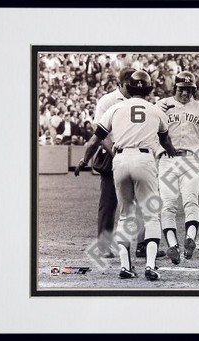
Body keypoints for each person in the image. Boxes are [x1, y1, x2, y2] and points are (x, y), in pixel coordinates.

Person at [75, 70, 176, 281]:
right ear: (149, 89)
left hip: (119, 160)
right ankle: (149, 265)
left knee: (125, 214)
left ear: (127, 88)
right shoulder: (156, 110)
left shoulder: (115, 107)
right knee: (150, 215)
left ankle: (125, 266)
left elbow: (95, 141)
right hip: (145, 160)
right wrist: (173, 155)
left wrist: (84, 161)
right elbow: (166, 142)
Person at [155, 71, 199, 265]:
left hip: (190, 159)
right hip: (166, 159)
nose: (185, 93)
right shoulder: (161, 105)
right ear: (175, 88)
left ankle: (190, 238)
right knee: (168, 204)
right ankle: (172, 245)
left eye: (189, 90)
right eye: (182, 89)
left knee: (191, 201)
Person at [78, 67, 136, 258]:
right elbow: (100, 132)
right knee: (109, 203)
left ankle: (144, 245)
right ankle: (103, 246)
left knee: (141, 201)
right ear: (120, 84)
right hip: (113, 155)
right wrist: (116, 152)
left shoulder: (138, 99)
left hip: (135, 154)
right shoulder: (107, 101)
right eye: (129, 85)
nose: (133, 87)